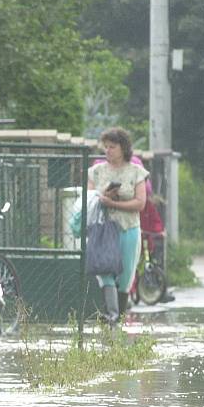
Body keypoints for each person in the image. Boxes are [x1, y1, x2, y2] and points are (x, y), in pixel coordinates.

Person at [88, 127, 148, 326]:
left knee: (125, 275)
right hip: (104, 229)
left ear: (123, 148)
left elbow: (140, 203)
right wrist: (103, 197)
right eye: (105, 147)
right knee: (104, 270)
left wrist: (115, 203)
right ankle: (111, 316)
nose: (108, 151)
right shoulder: (96, 171)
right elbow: (89, 199)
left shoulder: (136, 171)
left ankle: (119, 317)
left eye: (112, 147)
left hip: (128, 228)